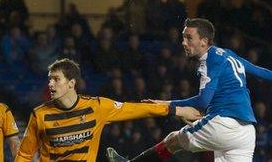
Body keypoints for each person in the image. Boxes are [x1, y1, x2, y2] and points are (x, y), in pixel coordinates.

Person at [107, 18, 272, 162]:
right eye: (183, 37)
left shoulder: (209, 60)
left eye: (189, 37)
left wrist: (168, 104)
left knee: (173, 140)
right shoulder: (227, 54)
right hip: (246, 132)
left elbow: (202, 102)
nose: (183, 42)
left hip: (224, 123)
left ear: (204, 41)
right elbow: (256, 70)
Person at [14, 58, 202, 161]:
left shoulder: (97, 107)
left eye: (56, 79)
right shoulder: (39, 114)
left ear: (71, 83)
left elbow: (136, 109)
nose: (50, 84)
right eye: (49, 79)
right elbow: (24, 154)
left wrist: (177, 110)